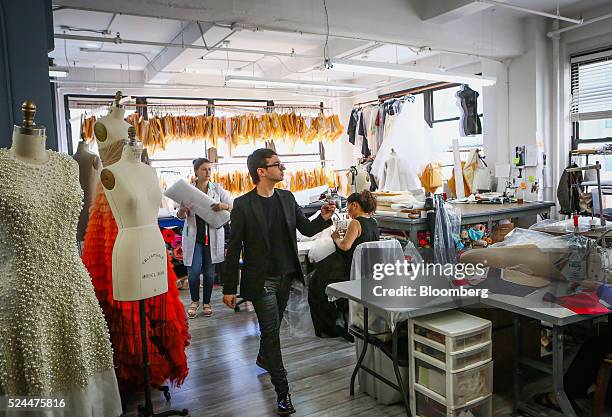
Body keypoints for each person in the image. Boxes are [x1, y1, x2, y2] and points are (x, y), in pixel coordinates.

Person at [222, 148, 335, 415]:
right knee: (272, 333)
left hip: (286, 275)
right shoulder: (243, 204)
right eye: (277, 165)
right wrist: (228, 288)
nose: (282, 169)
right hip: (261, 280)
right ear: (261, 171)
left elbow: (305, 228)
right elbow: (234, 246)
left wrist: (323, 218)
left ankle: (263, 357)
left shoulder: (286, 197)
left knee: (271, 331)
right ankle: (282, 392)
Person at [308, 191, 380, 340]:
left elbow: (345, 246)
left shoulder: (356, 222)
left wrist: (335, 238)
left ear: (355, 205)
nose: (348, 212)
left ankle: (329, 327)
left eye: (348, 208)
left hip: (350, 270)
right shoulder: (373, 222)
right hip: (367, 271)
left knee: (316, 283)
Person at [177, 157, 232, 319]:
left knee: (209, 273)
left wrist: (224, 206)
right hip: (194, 238)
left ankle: (207, 303)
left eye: (209, 169)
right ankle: (194, 301)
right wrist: (182, 210)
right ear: (196, 172)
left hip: (212, 237)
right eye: (204, 169)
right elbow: (180, 216)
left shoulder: (217, 189)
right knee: (193, 272)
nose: (208, 172)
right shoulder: (187, 190)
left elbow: (234, 205)